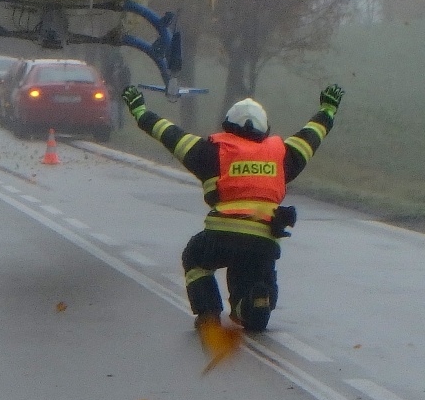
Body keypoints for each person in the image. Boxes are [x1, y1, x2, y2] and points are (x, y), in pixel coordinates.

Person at [121, 82, 345, 332]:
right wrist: (328, 110)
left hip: (222, 234)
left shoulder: (211, 151)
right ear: (265, 129)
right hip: (264, 237)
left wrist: (140, 111)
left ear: (228, 125)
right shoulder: (282, 155)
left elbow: (169, 133)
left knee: (194, 257)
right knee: (253, 279)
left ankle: (208, 312)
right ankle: (255, 303)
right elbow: (312, 135)